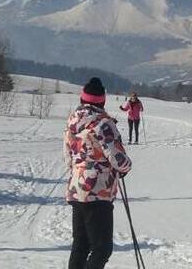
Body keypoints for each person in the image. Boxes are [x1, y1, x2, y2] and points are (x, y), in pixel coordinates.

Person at [64, 77, 132, 269]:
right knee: (102, 248)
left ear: (82, 99)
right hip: (98, 191)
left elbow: (68, 156)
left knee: (81, 245)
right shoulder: (103, 123)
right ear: (102, 100)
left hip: (77, 188)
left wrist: (79, 171)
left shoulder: (73, 121)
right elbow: (118, 158)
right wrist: (125, 168)